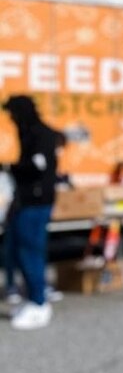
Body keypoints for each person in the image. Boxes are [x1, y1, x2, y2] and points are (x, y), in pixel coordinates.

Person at [2, 95, 65, 330]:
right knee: (17, 250)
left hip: (36, 203)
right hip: (25, 202)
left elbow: (39, 167)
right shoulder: (29, 132)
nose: (11, 119)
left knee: (30, 251)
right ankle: (32, 298)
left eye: (13, 114)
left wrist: (10, 167)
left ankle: (39, 303)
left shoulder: (40, 134)